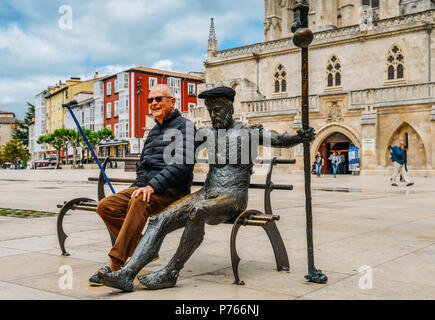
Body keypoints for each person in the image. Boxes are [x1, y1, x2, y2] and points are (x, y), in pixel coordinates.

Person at [98, 86, 316, 292]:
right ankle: (126, 274)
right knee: (159, 220)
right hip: (207, 192)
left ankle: (171, 272)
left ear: (231, 108)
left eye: (219, 109)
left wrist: (300, 136)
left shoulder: (248, 132)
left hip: (232, 197)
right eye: (211, 111)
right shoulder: (206, 134)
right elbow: (180, 154)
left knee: (199, 210)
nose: (214, 115)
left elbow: (278, 139)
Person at [88, 84, 197, 286]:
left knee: (139, 199)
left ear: (172, 102)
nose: (154, 103)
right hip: (149, 188)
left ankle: (115, 265)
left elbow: (182, 164)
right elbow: (145, 166)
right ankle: (145, 247)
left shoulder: (186, 127)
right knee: (105, 206)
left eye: (159, 99)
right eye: (150, 100)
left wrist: (152, 187)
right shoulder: (154, 130)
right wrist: (138, 185)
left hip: (173, 191)